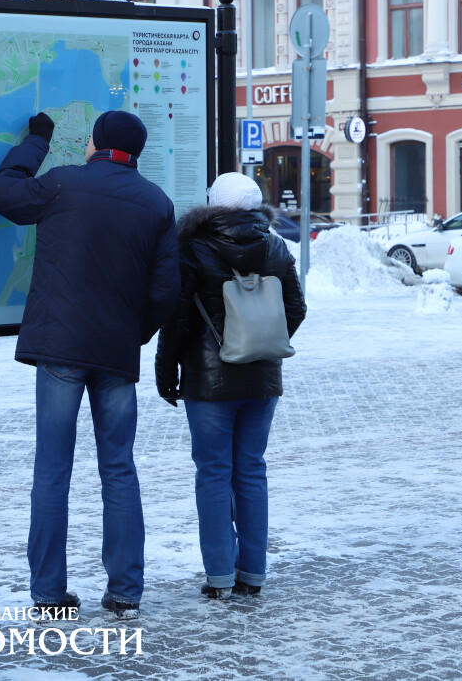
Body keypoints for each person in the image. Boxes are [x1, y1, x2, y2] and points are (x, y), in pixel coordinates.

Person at [0, 109, 180, 621]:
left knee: (52, 470)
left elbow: (2, 192)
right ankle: (125, 592)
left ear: (95, 144)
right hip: (115, 355)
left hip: (60, 350)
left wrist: (37, 140)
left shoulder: (62, 184)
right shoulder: (157, 203)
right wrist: (131, 335)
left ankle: (49, 594)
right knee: (119, 470)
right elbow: (165, 291)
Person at [154, 172, 306, 601]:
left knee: (214, 474)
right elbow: (296, 308)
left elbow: (177, 320)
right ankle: (252, 574)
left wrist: (167, 374)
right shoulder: (276, 246)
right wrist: (263, 342)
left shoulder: (193, 248)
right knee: (252, 470)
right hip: (262, 379)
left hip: (209, 383)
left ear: (212, 205)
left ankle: (220, 576)